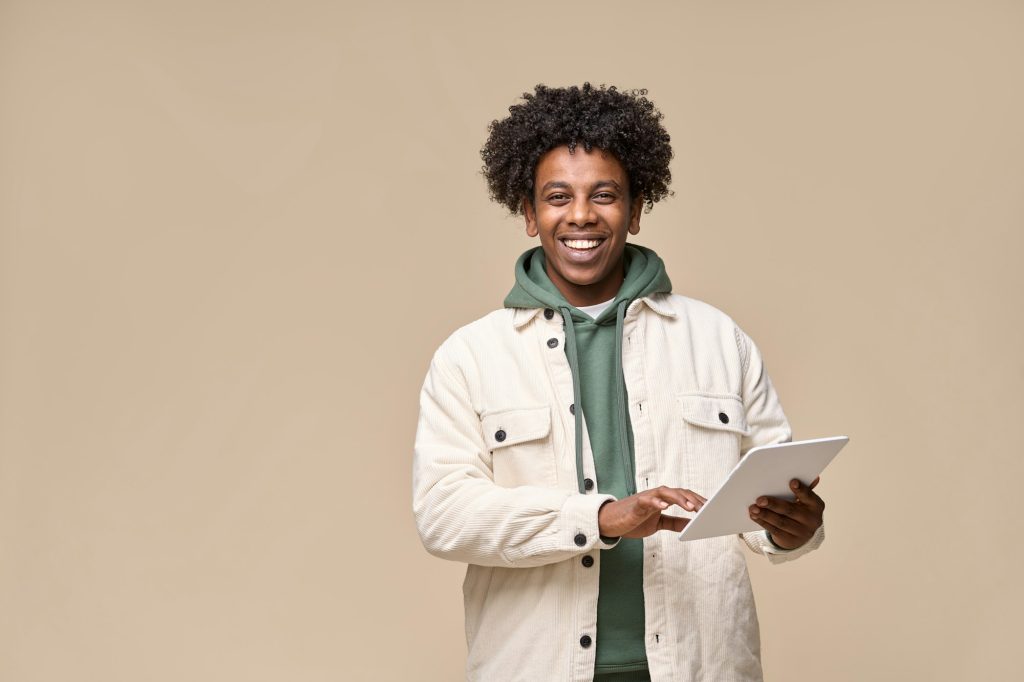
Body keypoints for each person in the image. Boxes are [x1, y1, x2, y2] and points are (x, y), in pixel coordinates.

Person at [412, 83, 826, 682]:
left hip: (699, 666)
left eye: (603, 195)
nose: (581, 214)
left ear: (635, 210)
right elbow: (445, 515)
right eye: (558, 197)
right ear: (529, 214)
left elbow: (766, 493)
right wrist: (600, 518)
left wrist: (794, 529)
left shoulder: (717, 339)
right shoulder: (471, 356)